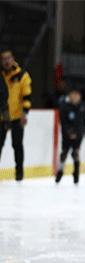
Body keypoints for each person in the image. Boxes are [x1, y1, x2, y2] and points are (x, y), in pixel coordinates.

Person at [0, 49, 32, 181]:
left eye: (9, 58)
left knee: (17, 144)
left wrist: (25, 113)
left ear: (13, 59)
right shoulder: (1, 75)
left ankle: (19, 172)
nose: (7, 61)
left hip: (17, 116)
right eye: (4, 59)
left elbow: (27, 95)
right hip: (2, 117)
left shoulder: (22, 75)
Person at [56, 88, 85, 184]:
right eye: (73, 94)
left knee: (76, 153)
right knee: (64, 153)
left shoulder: (82, 106)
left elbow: (84, 119)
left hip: (79, 134)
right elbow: (63, 122)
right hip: (67, 135)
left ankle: (76, 173)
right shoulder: (64, 107)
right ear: (69, 96)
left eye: (77, 94)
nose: (75, 97)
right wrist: (69, 132)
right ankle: (60, 171)